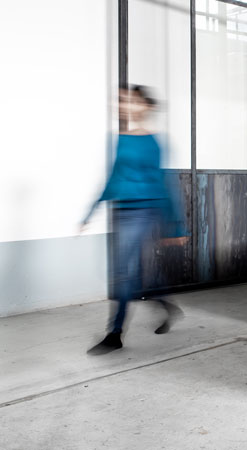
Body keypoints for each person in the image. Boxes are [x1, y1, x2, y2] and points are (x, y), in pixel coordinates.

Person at [80, 85, 189, 355]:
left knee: (121, 272)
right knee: (134, 274)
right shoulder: (118, 140)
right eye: (121, 101)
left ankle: (114, 334)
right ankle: (166, 305)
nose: (123, 105)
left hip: (145, 210)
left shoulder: (154, 142)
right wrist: (91, 211)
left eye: (130, 100)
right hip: (121, 210)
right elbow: (113, 178)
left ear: (145, 106)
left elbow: (164, 183)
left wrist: (175, 225)